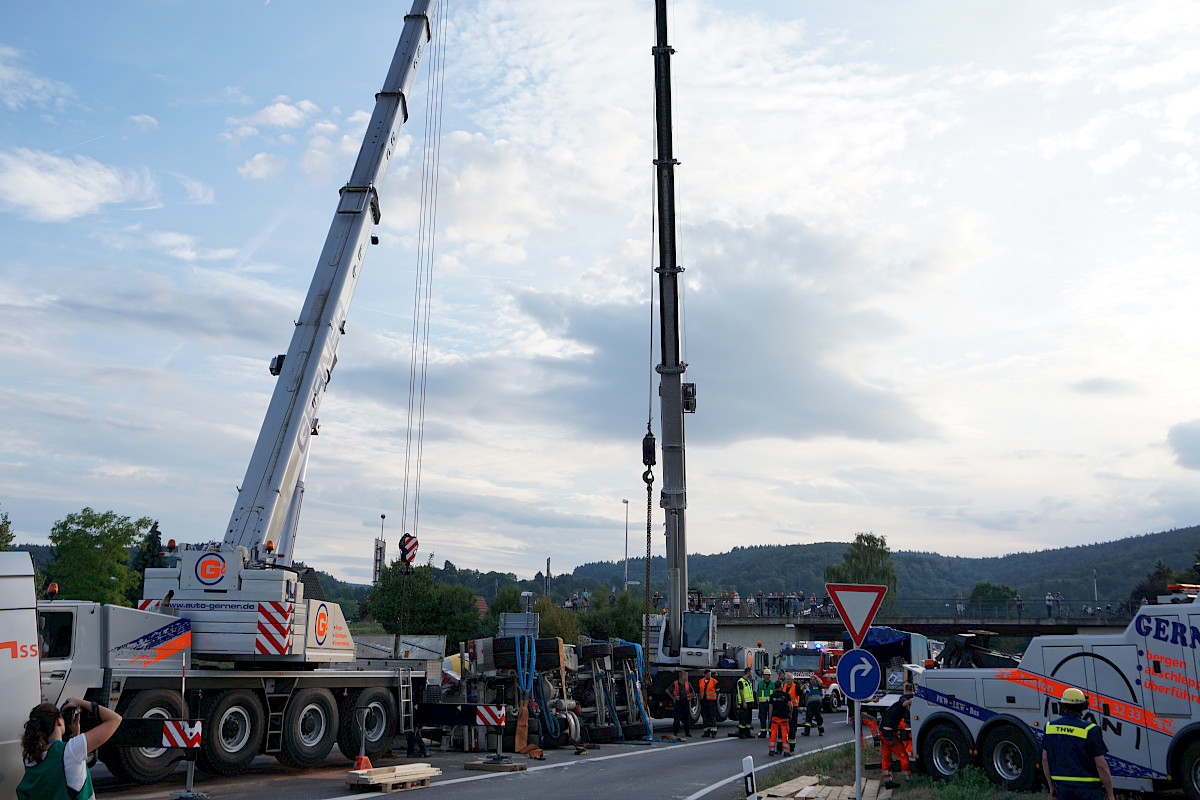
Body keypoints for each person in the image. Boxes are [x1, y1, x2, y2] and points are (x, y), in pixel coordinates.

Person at [18, 697, 122, 800]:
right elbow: (115, 719)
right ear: (59, 721)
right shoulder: (70, 751)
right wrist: (80, 702)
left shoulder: (30, 757)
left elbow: (68, 771)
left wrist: (76, 733)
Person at [1041, 687, 1114, 800]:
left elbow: (1045, 759)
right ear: (1082, 707)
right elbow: (1101, 766)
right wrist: (1110, 794)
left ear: (1063, 707)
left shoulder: (1050, 728)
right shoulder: (1091, 730)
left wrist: (1051, 787)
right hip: (1089, 791)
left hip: (1063, 789)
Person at [879, 688, 913, 790]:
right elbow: (906, 703)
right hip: (889, 735)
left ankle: (887, 780)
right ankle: (908, 780)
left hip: (882, 733)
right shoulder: (900, 706)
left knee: (886, 756)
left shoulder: (893, 706)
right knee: (904, 757)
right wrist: (916, 699)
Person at [766, 679, 793, 756]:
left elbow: (770, 708)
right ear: (781, 686)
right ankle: (786, 751)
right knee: (784, 734)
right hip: (784, 717)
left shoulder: (772, 696)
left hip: (775, 717)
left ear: (775, 687)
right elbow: (790, 706)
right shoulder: (786, 695)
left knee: (773, 734)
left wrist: (770, 718)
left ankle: (771, 750)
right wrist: (790, 714)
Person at [668, 669, 692, 737]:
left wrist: (690, 697)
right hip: (678, 702)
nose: (687, 677)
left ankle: (687, 732)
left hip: (685, 701)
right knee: (677, 718)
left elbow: (692, 691)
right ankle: (675, 732)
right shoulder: (675, 683)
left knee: (686, 718)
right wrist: (673, 698)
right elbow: (667, 690)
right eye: (686, 676)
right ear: (682, 676)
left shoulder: (687, 683)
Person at [755, 668, 777, 738]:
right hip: (762, 703)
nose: (766, 676)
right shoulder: (760, 683)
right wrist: (757, 701)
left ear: (769, 676)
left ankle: (771, 732)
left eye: (768, 675)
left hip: (771, 704)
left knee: (771, 718)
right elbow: (757, 692)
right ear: (763, 676)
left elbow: (775, 693)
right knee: (762, 718)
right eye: (765, 675)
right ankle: (763, 732)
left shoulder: (773, 684)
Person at [735, 667, 755, 738]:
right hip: (745, 702)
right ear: (748, 672)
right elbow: (741, 692)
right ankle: (741, 733)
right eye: (751, 672)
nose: (751, 673)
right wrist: (744, 702)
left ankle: (747, 732)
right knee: (743, 718)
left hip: (749, 702)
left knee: (748, 719)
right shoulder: (741, 681)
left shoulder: (748, 681)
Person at [698, 668, 719, 738]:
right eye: (708, 674)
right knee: (705, 716)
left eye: (710, 674)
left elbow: (717, 690)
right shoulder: (701, 681)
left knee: (712, 716)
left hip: (711, 701)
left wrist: (715, 698)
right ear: (704, 674)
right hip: (704, 701)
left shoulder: (714, 681)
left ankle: (713, 732)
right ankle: (706, 732)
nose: (709, 676)